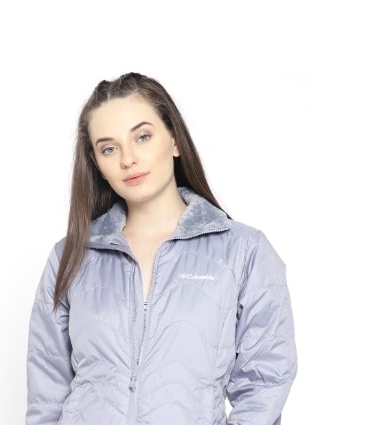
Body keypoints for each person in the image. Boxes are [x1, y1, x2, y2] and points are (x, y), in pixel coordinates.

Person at [26, 72, 297, 425]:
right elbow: (46, 392)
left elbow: (265, 383)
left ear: (174, 141)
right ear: (97, 165)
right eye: (109, 148)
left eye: (142, 137)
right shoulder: (70, 257)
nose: (128, 159)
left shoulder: (244, 251)